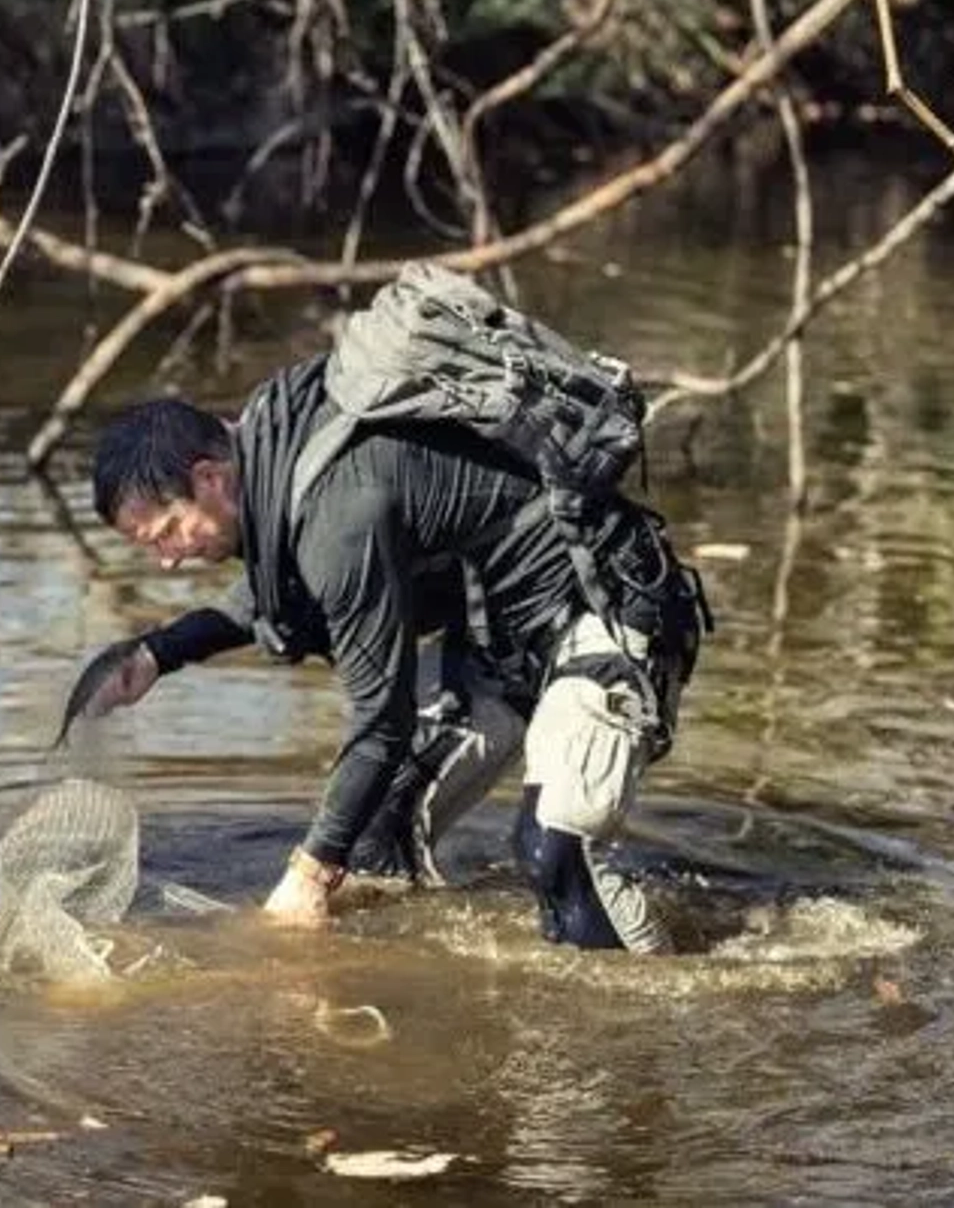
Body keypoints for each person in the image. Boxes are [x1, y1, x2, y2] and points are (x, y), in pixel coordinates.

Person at [80, 357, 706, 950]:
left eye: (165, 533)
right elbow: (293, 589)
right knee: (373, 829)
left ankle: (639, 1044)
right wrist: (156, 655)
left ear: (208, 478)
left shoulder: (337, 508)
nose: (165, 558)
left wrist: (309, 873)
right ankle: (409, 987)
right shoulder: (284, 444)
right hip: (504, 638)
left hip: (608, 614)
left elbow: (383, 719)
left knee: (556, 854)